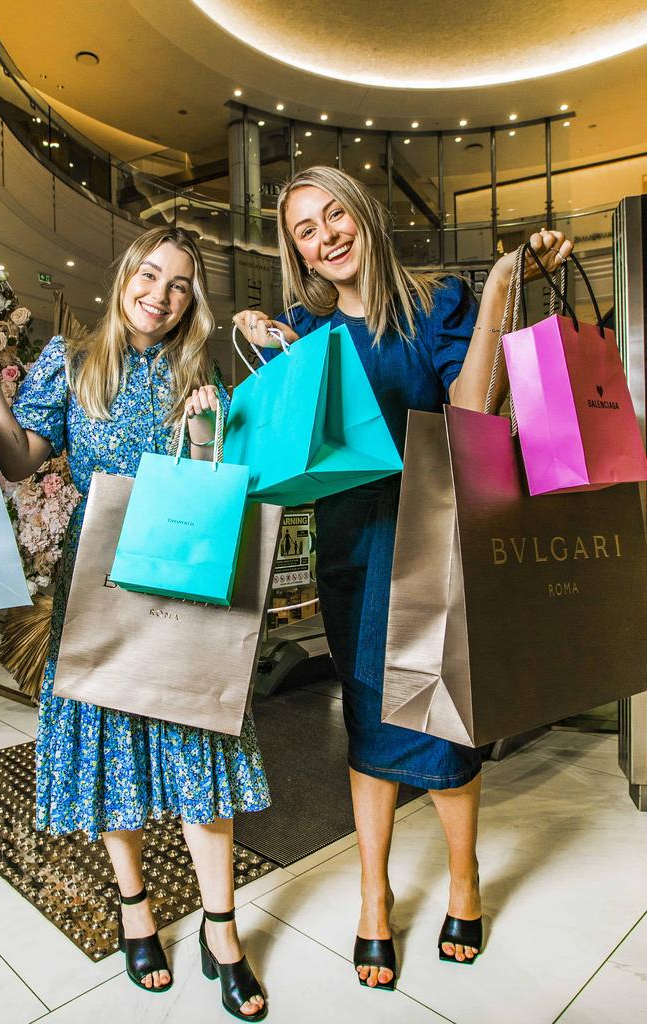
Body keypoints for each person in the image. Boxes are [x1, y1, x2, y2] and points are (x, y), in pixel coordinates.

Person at [233, 165, 573, 991]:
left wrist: (500, 285)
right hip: (353, 546)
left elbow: (473, 405)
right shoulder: (304, 332)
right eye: (305, 230)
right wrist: (262, 355)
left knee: (447, 719)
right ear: (298, 253)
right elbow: (284, 453)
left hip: (439, 536)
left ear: (363, 214)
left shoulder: (437, 302)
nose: (325, 236)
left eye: (334, 215)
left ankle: (464, 880)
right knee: (369, 723)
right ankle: (374, 899)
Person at [0, 226, 268, 1021]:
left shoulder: (199, 370)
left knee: (198, 739)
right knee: (106, 745)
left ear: (193, 303)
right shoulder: (73, 362)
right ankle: (135, 909)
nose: (162, 293)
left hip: (185, 574)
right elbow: (19, 460)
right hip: (98, 570)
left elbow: (218, 486)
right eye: (151, 275)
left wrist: (207, 433)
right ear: (125, 278)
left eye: (181, 284)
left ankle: (223, 932)